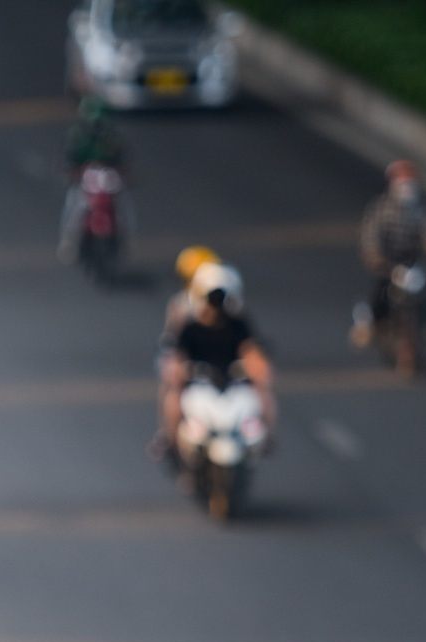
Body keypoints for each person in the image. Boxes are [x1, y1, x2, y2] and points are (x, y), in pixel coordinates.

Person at [155, 261, 274, 457]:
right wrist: (178, 370)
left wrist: (258, 367)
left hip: (233, 384)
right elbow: (178, 355)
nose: (216, 306)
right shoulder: (191, 327)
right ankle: (170, 441)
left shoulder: (238, 325)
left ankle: (267, 438)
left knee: (264, 396)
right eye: (212, 298)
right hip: (199, 385)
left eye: (220, 299)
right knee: (172, 398)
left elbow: (250, 350)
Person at [352, 160, 426, 346]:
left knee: (424, 290)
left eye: (410, 182)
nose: (406, 187)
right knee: (380, 291)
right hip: (388, 261)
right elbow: (370, 232)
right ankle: (370, 324)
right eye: (402, 182)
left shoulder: (422, 209)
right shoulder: (380, 207)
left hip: (414, 260)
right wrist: (372, 253)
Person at [58, 98, 128, 261]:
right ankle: (69, 241)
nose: (97, 126)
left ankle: (124, 241)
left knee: (122, 208)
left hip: (106, 180)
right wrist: (71, 173)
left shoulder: (112, 138)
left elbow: (122, 161)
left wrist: (124, 176)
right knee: (75, 205)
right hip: (84, 179)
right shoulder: (77, 137)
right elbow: (67, 159)